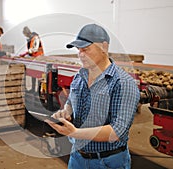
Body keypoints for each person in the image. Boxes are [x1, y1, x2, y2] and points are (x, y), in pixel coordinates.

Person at [46, 24, 140, 169]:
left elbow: (117, 131)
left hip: (107, 162)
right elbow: (71, 101)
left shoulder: (123, 83)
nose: (80, 54)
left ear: (104, 47)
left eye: (86, 49)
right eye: (79, 50)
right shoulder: (80, 75)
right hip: (77, 158)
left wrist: (75, 133)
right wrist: (67, 112)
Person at [21, 26, 44, 93]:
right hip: (33, 58)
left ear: (27, 33)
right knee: (33, 74)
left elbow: (35, 49)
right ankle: (33, 89)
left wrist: (26, 53)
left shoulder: (35, 38)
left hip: (39, 58)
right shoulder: (30, 39)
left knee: (39, 75)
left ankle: (38, 91)